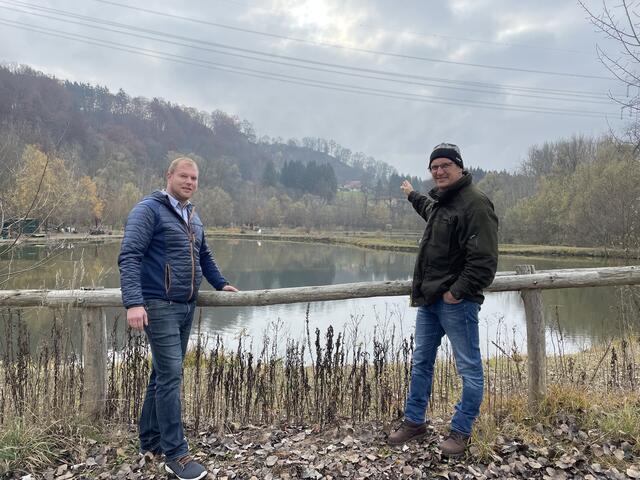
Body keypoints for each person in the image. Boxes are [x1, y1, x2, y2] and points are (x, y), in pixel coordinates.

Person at [118, 157, 238, 480]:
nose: (189, 182)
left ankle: (150, 441)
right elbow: (129, 255)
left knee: (162, 374)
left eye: (195, 178)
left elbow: (204, 255)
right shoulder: (149, 210)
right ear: (169, 175)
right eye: (184, 176)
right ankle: (176, 454)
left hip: (186, 306)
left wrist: (220, 283)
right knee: (171, 376)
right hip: (158, 305)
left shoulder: (192, 216)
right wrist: (133, 302)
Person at [389, 143, 498, 457]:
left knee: (469, 369)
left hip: (456, 303)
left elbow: (484, 262)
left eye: (444, 166)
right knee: (421, 362)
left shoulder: (476, 204)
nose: (438, 171)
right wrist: (411, 194)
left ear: (459, 167)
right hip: (429, 301)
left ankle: (461, 431)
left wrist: (456, 292)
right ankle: (414, 422)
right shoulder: (441, 202)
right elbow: (428, 208)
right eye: (434, 167)